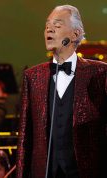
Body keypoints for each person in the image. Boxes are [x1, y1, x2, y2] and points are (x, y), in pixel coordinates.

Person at [16, 4, 107, 178]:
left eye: (57, 25)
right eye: (47, 26)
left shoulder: (100, 73)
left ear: (75, 34)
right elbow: (24, 137)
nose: (49, 29)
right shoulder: (32, 77)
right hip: (44, 171)